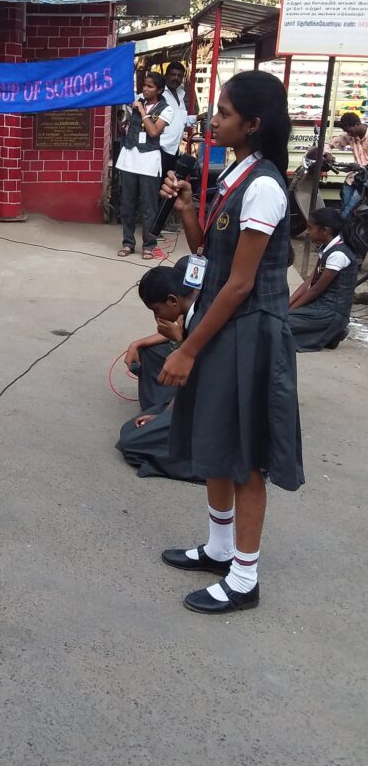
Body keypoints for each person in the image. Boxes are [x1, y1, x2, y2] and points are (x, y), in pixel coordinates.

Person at [157, 70, 303, 614]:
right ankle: (219, 548)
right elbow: (207, 256)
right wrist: (189, 212)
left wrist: (188, 347)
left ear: (253, 124)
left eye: (223, 112)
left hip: (250, 332)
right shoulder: (233, 174)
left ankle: (245, 578)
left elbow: (241, 283)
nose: (212, 119)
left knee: (246, 458)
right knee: (218, 441)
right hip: (222, 324)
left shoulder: (263, 184)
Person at [117, 259, 203, 484]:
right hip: (195, 392)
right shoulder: (191, 307)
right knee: (151, 353)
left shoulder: (203, 318)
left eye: (157, 310)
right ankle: (164, 414)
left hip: (212, 406)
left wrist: (165, 413)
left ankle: (215, 467)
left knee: (131, 441)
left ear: (173, 300)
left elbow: (200, 377)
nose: (157, 317)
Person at [116, 71, 174, 260]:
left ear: (158, 90)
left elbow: (154, 132)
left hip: (149, 161)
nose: (145, 89)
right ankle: (128, 243)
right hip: (129, 158)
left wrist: (142, 112)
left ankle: (149, 245)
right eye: (144, 85)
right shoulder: (133, 101)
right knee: (127, 204)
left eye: (150, 87)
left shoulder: (166, 109)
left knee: (149, 206)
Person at [288, 207, 359, 351]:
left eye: (310, 228)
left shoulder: (338, 255)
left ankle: (333, 331)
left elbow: (316, 289)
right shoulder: (326, 249)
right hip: (320, 308)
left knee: (280, 326)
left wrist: (289, 311)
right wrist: (288, 305)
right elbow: (308, 282)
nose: (307, 232)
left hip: (330, 312)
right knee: (278, 319)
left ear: (325, 231)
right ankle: (331, 334)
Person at [333, 112, 368, 218]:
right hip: (353, 178)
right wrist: (327, 153)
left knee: (347, 212)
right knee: (345, 208)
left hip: (365, 182)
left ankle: (343, 230)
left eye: (349, 130)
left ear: (357, 124)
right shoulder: (350, 136)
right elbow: (330, 143)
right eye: (346, 132)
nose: (348, 134)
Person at [159, 62, 188, 176]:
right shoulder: (160, 94)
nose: (176, 78)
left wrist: (197, 117)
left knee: (168, 184)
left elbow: (180, 119)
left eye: (179, 76)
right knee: (158, 184)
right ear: (166, 75)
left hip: (174, 148)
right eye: (173, 74)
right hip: (161, 147)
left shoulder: (181, 94)